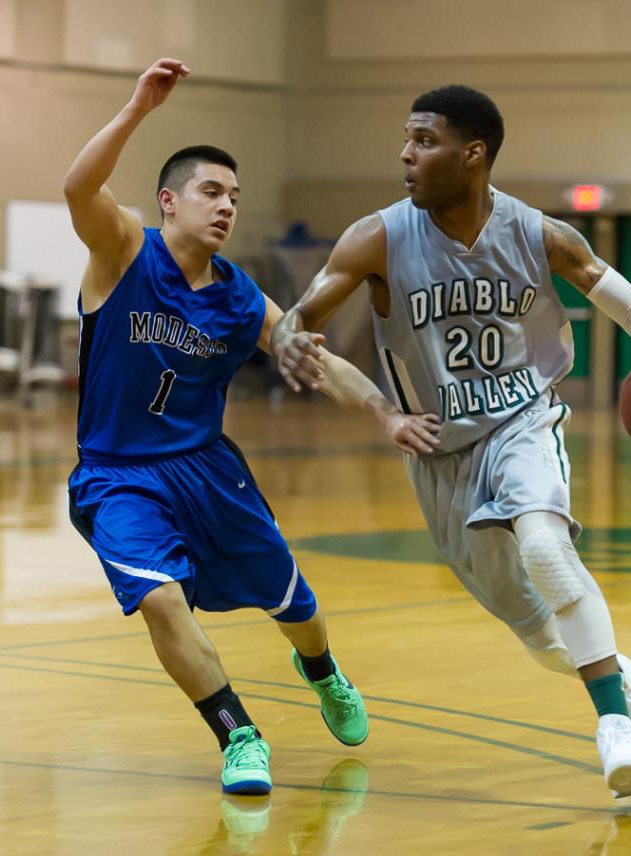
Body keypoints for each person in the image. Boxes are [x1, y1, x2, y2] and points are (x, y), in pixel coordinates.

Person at [272, 84, 631, 798]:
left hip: (523, 420)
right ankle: (624, 680)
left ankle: (612, 726)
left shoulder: (541, 234)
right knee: (542, 637)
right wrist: (299, 349)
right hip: (439, 455)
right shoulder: (378, 237)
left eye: (423, 140)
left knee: (547, 545)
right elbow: (303, 319)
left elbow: (626, 304)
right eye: (406, 139)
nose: (405, 153)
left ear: (473, 153)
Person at [63, 57, 438, 795]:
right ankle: (238, 734)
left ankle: (322, 670)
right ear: (168, 201)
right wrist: (139, 106)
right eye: (211, 191)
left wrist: (385, 414)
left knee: (292, 603)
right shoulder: (122, 254)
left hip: (207, 469)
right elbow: (78, 187)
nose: (227, 206)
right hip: (116, 475)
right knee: (159, 598)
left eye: (235, 195)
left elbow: (317, 360)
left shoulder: (240, 298)